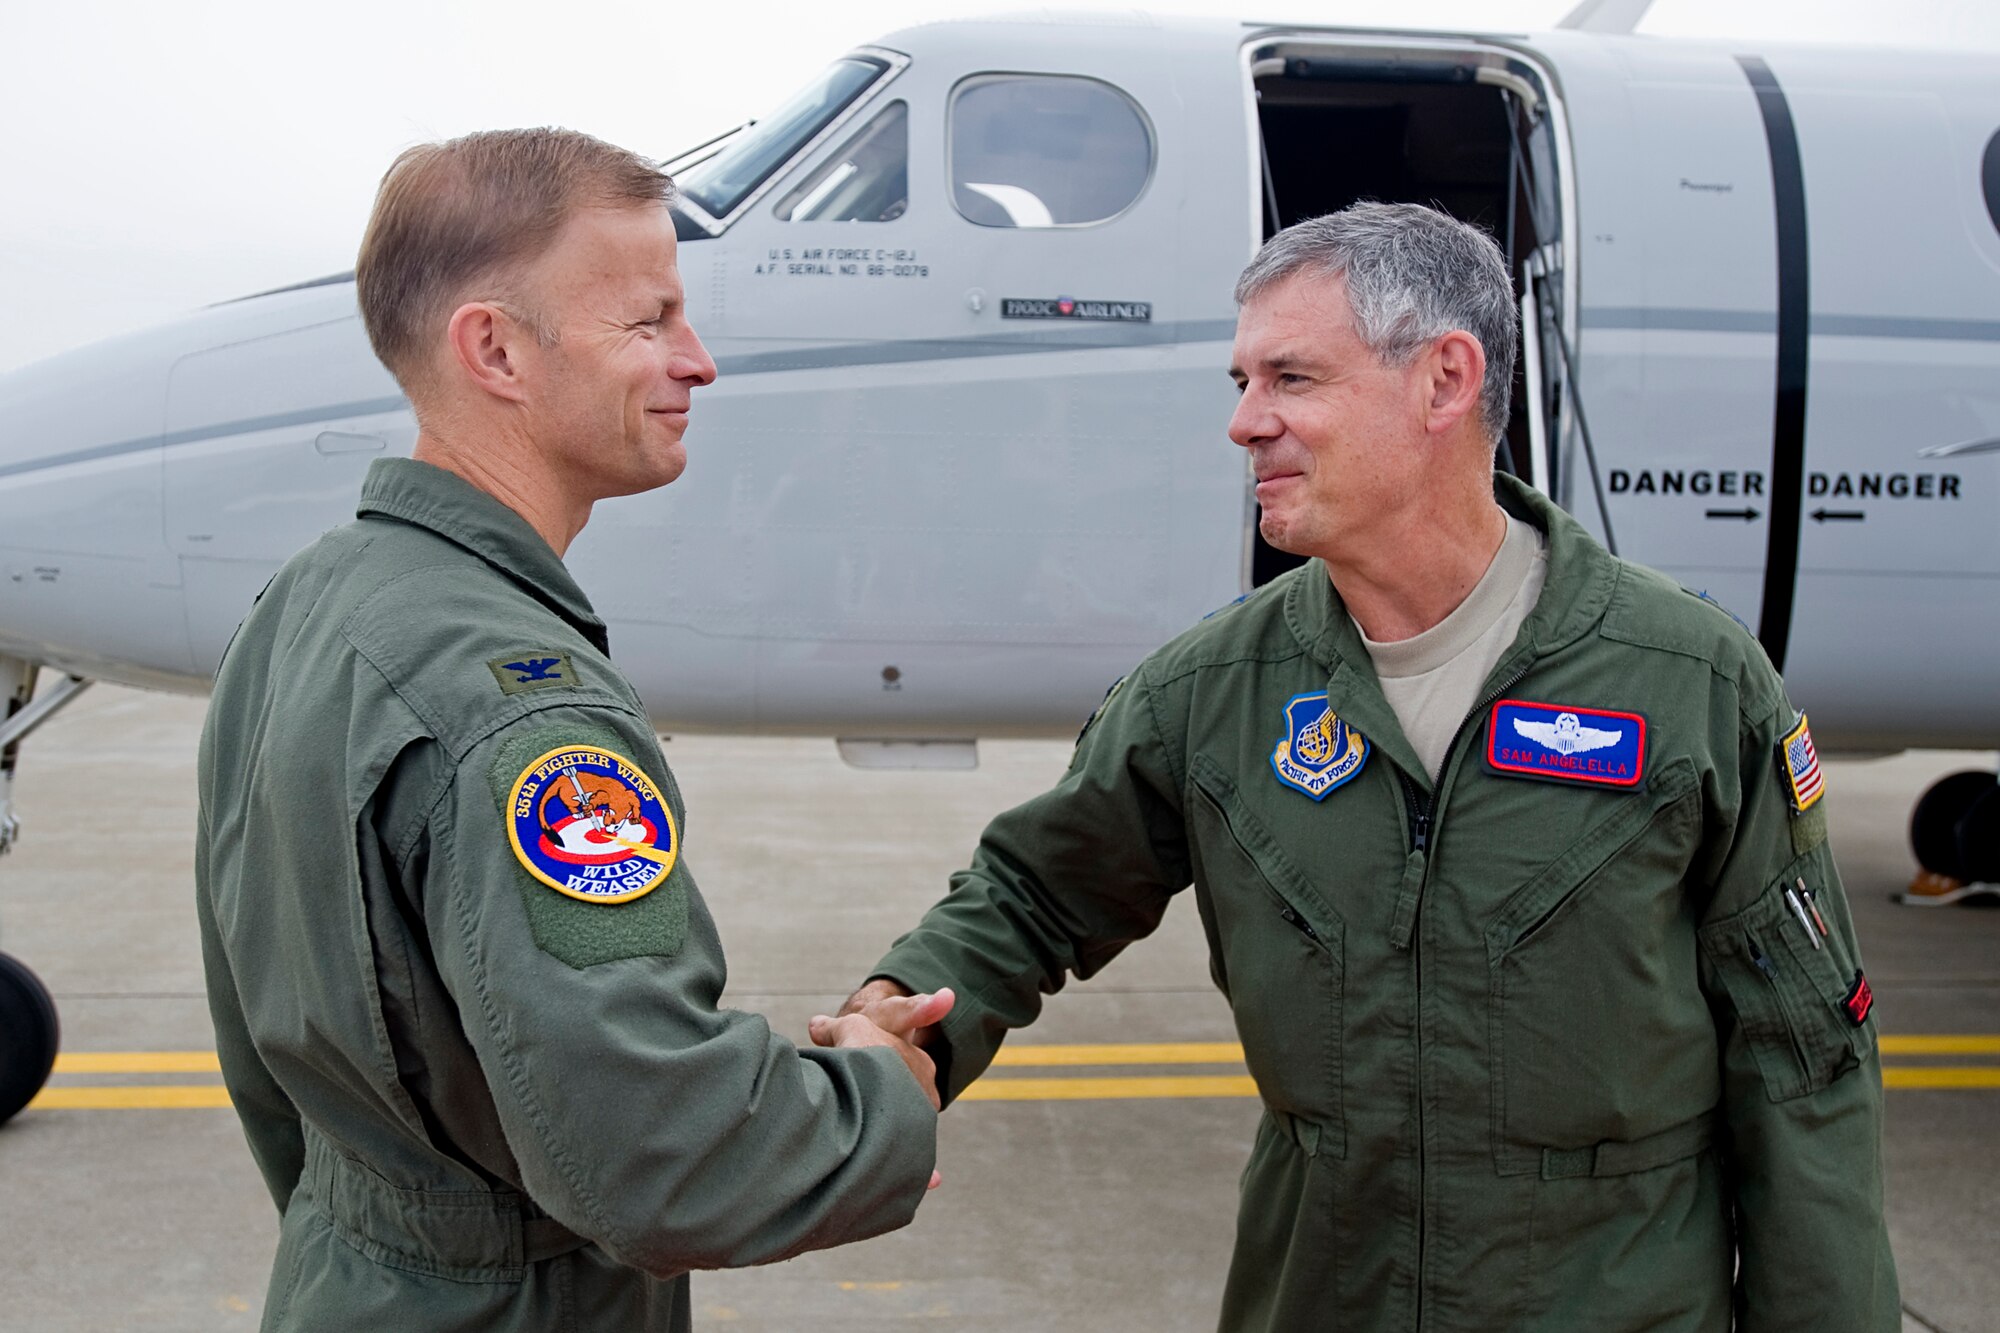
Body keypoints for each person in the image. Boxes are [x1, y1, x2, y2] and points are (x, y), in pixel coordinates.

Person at [826, 203, 1900, 1330]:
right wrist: (905, 1012)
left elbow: (1802, 1062)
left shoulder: (1687, 681)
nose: (1244, 423)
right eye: (1239, 383)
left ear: (1442, 380)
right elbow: (1035, 893)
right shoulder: (1213, 690)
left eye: (1289, 378)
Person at [195, 128, 951, 1332]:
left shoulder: (312, 602)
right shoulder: (520, 706)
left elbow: (273, 1070)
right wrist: (878, 1088)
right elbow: (667, 1161)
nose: (695, 362)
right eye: (646, 321)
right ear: (494, 348)